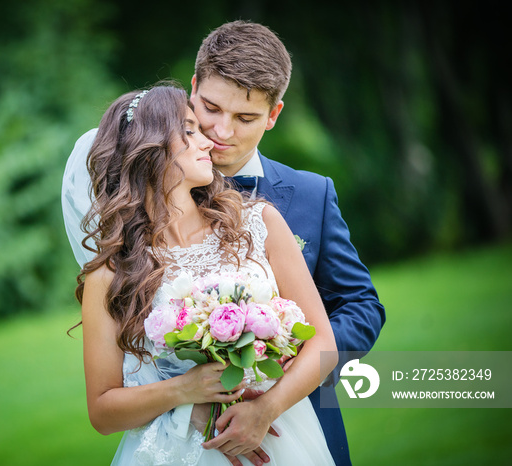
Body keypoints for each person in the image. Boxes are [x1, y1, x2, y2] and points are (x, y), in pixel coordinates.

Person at [63, 21, 385, 465]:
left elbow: (358, 308)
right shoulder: (119, 257)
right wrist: (187, 394)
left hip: (288, 423)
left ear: (273, 116)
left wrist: (273, 360)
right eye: (208, 111)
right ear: (193, 89)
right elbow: (119, 367)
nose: (219, 132)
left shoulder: (291, 204)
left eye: (245, 118)